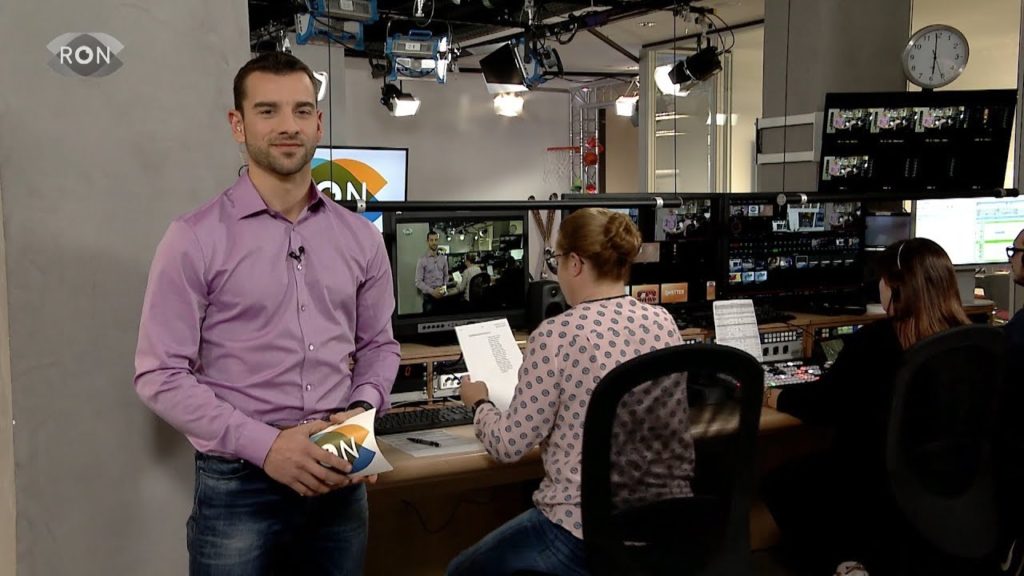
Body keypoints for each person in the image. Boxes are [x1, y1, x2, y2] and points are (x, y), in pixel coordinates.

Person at [133, 52, 400, 576]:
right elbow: (159, 374)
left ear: (318, 123)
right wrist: (268, 446)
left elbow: (378, 346)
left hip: (339, 467)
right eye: (267, 111)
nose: (287, 126)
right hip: (240, 485)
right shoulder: (194, 239)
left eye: (301, 111)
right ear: (238, 125)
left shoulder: (360, 238)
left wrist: (363, 411)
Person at [448, 208, 694, 576]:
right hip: (664, 525)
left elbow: (508, 445)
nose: (557, 270)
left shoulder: (556, 334)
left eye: (557, 260)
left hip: (582, 531)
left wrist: (479, 402)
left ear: (575, 263)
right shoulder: (663, 322)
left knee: (461, 570)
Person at [762, 238, 969, 575]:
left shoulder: (875, 341)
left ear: (897, 288)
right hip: (947, 484)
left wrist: (773, 396)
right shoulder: (970, 341)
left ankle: (844, 564)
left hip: (876, 484)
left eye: (883, 279)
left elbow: (823, 404)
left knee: (781, 482)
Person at [415, 230, 449, 313]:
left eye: (436, 240)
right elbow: (418, 282)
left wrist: (443, 288)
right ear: (427, 242)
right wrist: (433, 292)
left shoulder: (443, 259)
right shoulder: (422, 260)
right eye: (431, 240)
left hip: (442, 297)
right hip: (429, 299)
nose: (434, 242)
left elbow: (446, 276)